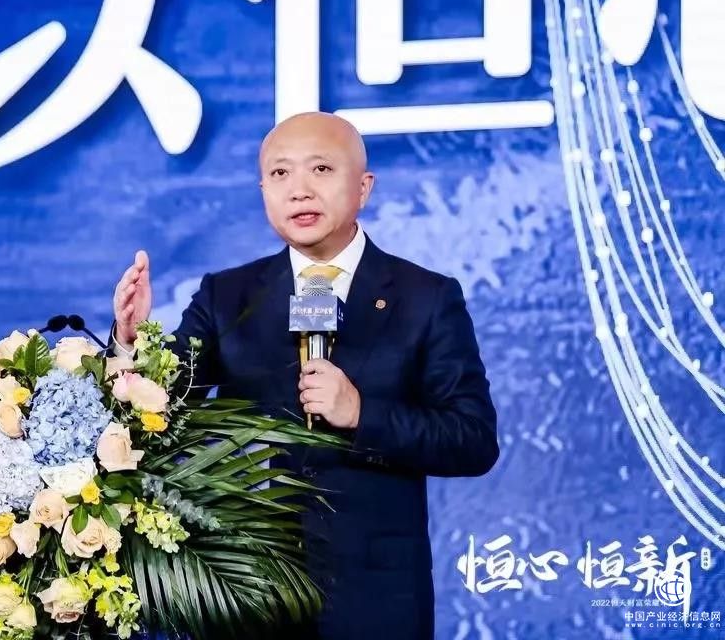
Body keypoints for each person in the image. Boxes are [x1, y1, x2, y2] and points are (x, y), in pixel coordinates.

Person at [111, 111, 499, 640]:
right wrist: (131, 343)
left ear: (363, 188)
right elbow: (161, 408)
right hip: (245, 590)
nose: (299, 190)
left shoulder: (426, 297)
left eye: (321, 169)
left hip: (374, 597)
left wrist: (361, 414)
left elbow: (472, 441)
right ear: (263, 191)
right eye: (280, 173)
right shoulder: (227, 296)